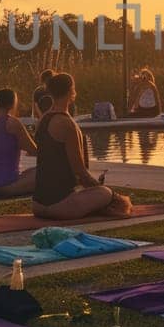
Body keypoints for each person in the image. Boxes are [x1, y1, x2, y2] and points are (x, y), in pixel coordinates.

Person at [32, 72, 130, 220]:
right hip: (61, 205)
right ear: (72, 91)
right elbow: (80, 173)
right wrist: (101, 188)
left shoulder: (42, 121)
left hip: (38, 205)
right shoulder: (68, 125)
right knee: (105, 193)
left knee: (98, 193)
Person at [0, 89, 38, 199]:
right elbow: (33, 150)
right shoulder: (13, 123)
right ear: (12, 103)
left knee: (32, 171)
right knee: (47, 172)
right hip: (7, 184)